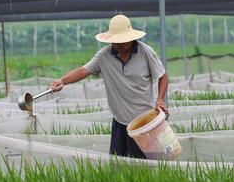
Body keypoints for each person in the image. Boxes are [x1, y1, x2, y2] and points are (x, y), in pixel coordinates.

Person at [50, 14, 169, 159]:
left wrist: (160, 99)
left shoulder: (145, 52)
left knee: (147, 166)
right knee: (118, 165)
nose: (116, 44)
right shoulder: (103, 56)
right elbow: (84, 70)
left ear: (130, 38)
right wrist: (62, 81)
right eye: (114, 41)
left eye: (121, 41)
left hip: (145, 122)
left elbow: (163, 76)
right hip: (120, 121)